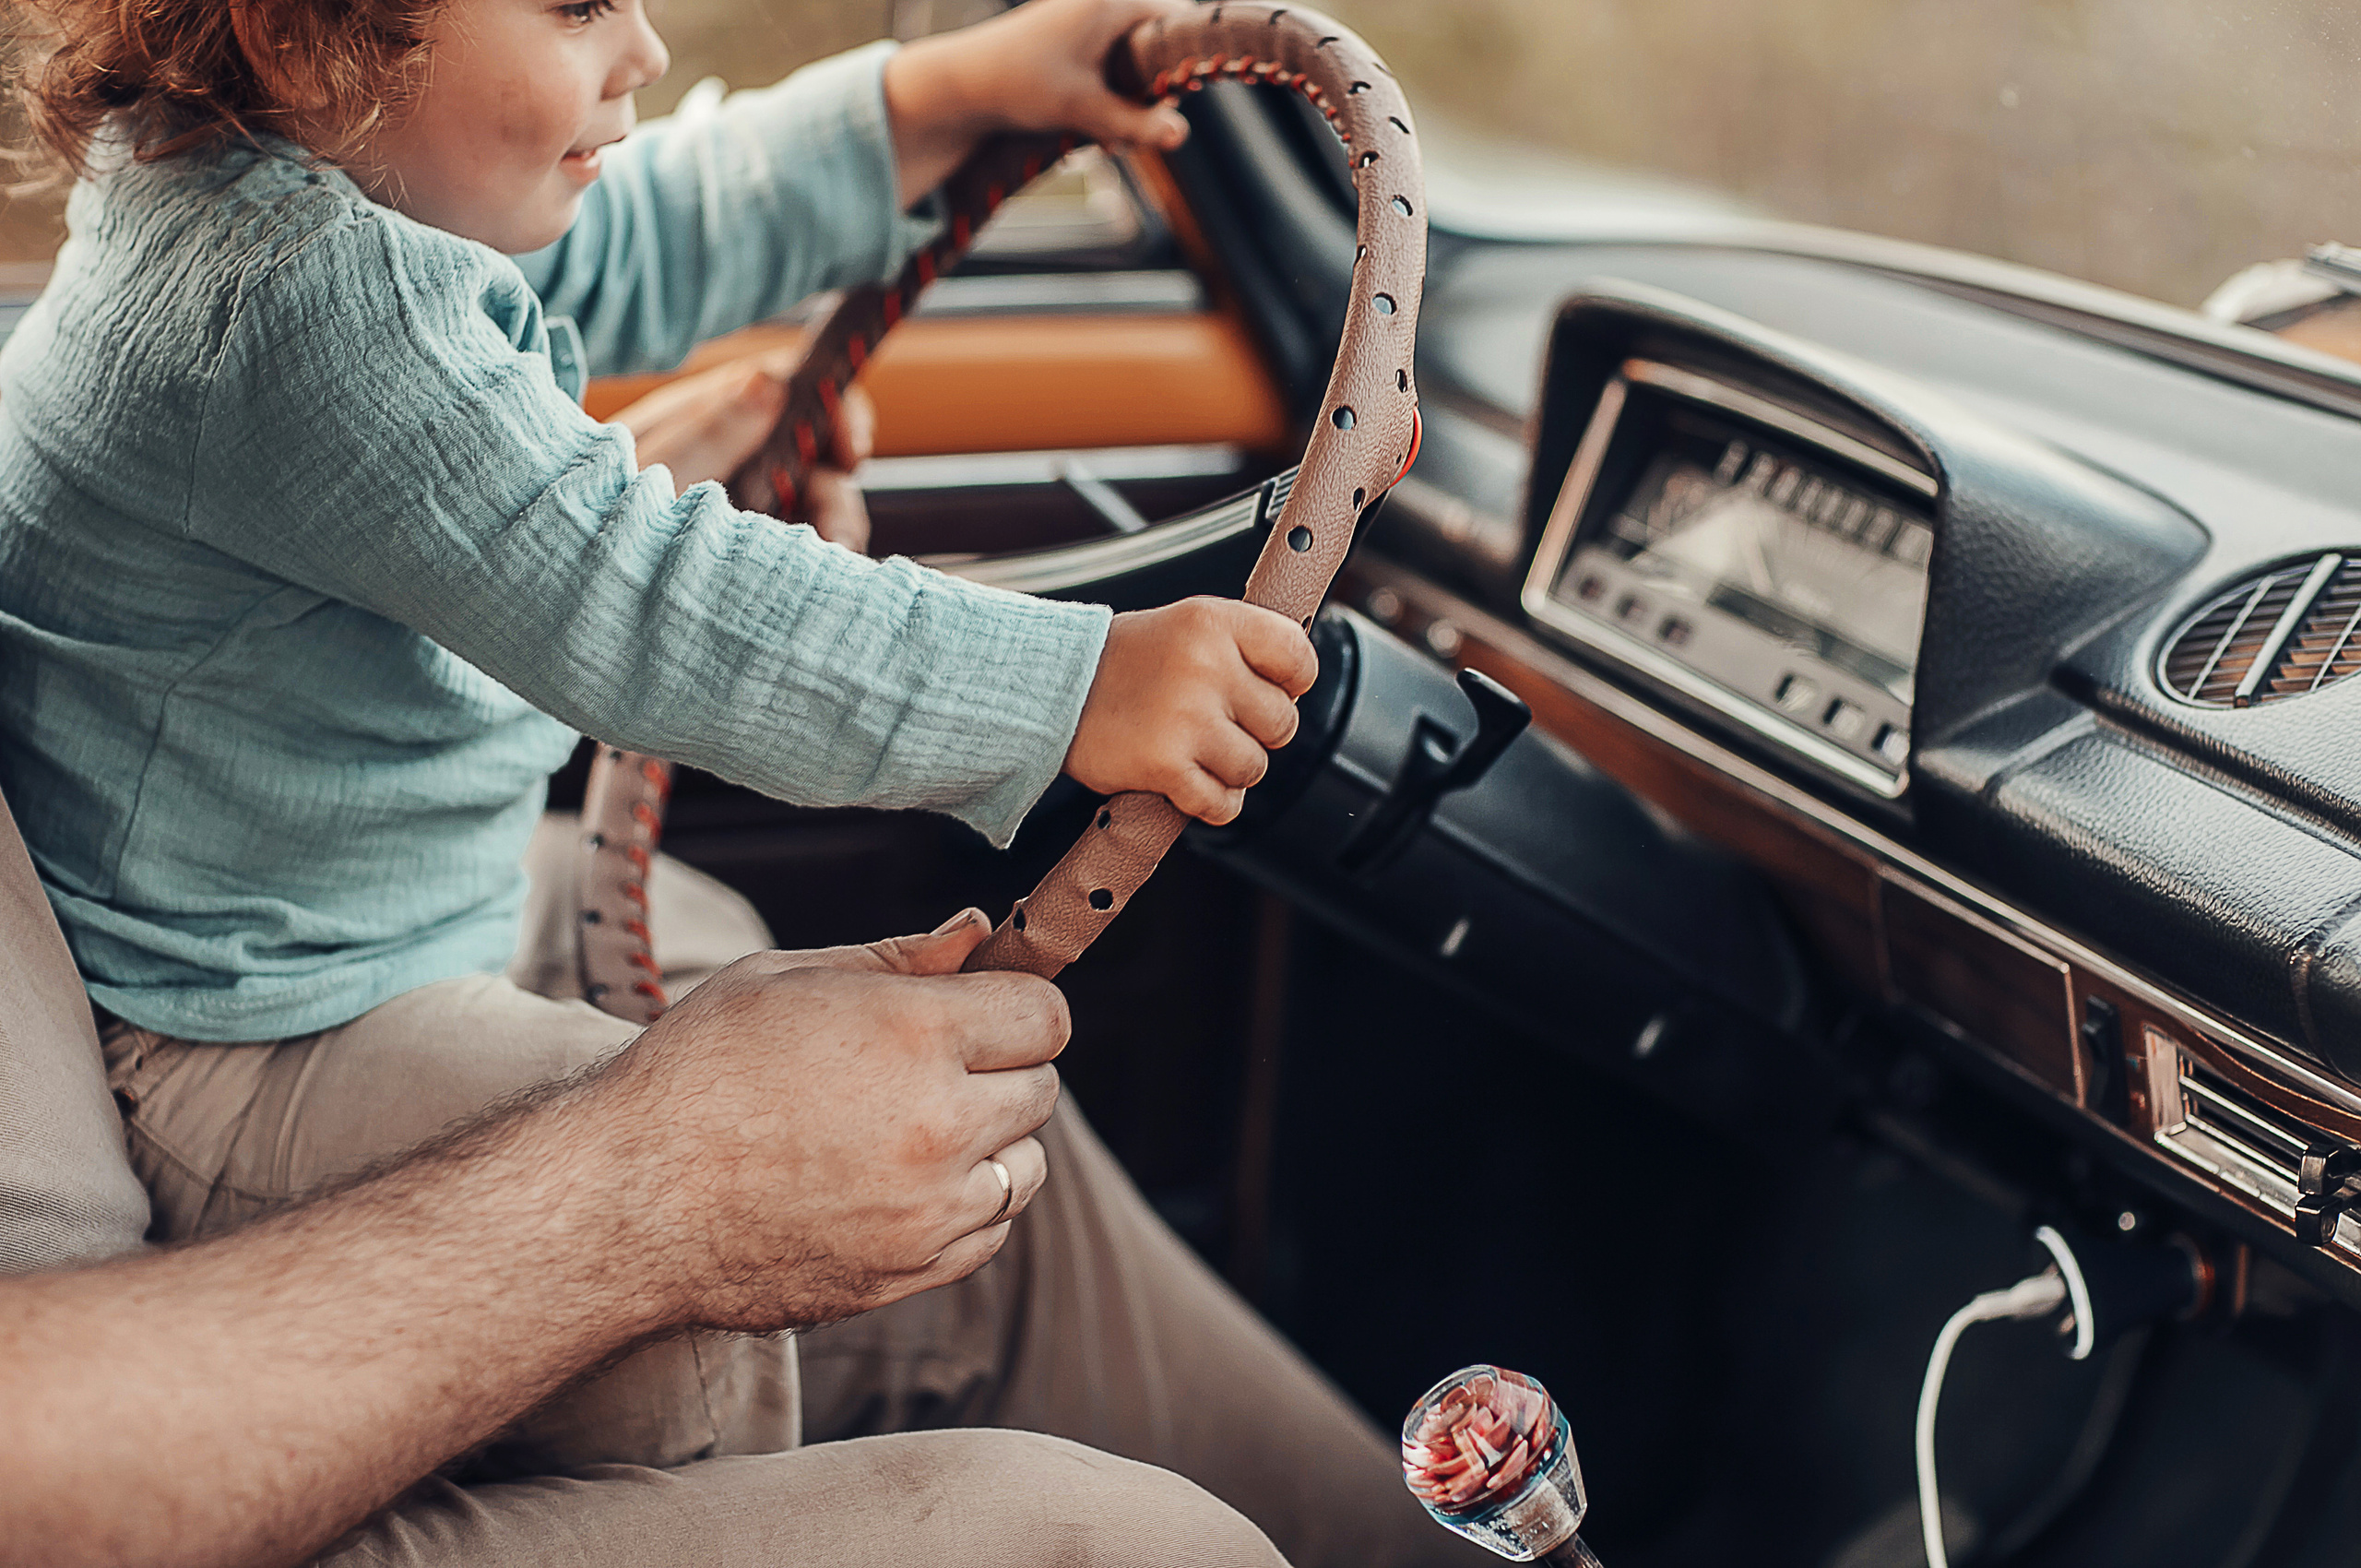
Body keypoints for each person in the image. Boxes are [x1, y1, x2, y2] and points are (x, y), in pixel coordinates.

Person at [0, 0, 1489, 1561]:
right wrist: (1076, 689)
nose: (639, 48)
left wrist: (942, 95)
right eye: (577, 7)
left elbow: (648, 226)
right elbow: (650, 604)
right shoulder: (293, 299)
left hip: (316, 951)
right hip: (242, 1050)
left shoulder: (274, 174)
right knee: (688, 1330)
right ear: (304, 42)